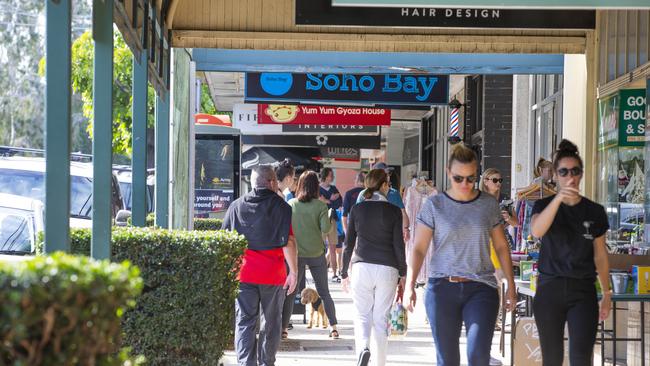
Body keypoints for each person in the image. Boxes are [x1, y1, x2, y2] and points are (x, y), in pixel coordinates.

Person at [404, 143, 516, 366]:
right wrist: (410, 285)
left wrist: (510, 286)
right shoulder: (435, 205)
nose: (465, 184)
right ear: (448, 173)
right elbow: (419, 248)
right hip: (442, 288)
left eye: (471, 178)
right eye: (458, 178)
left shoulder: (487, 204)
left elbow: (502, 246)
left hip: (481, 287)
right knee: (447, 360)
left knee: (478, 356)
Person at [530, 139, 611, 366]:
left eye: (575, 171)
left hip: (582, 291)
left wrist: (607, 292)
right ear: (555, 175)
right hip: (550, 289)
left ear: (582, 174)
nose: (570, 177)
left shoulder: (594, 211)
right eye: (564, 172)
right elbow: (537, 231)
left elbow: (600, 255)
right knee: (552, 359)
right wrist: (558, 199)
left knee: (581, 359)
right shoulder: (543, 206)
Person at [222, 165, 298, 366]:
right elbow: (288, 242)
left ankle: (246, 363)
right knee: (271, 323)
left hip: (243, 273)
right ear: (272, 182)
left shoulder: (235, 206)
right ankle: (266, 362)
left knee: (245, 322)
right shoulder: (283, 207)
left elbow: (224, 240)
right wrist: (294, 272)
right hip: (273, 275)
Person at [341, 168, 407, 366]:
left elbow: (348, 243)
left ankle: (363, 349)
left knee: (361, 315)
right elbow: (398, 245)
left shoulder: (357, 209)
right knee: (381, 319)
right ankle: (380, 363)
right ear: (385, 186)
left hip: (361, 267)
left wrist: (344, 271)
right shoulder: (394, 212)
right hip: (388, 268)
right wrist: (403, 272)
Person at [286, 171, 340, 339]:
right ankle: (333, 327)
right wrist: (328, 215)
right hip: (316, 254)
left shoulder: (291, 204)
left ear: (300, 185)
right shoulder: (321, 206)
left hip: (297, 255)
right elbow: (326, 229)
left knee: (291, 291)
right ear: (316, 187)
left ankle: (283, 328)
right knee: (324, 292)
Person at [274, 159, 298, 339]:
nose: (294, 181)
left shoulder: (274, 195)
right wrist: (293, 269)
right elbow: (287, 238)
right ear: (288, 178)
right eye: (294, 177)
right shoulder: (280, 199)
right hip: (277, 257)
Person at [357, 162, 410, 242]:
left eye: (388, 174)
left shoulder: (393, 193)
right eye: (385, 174)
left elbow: (403, 213)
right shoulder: (363, 194)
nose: (388, 176)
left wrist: (405, 229)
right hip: (378, 238)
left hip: (375, 238)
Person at [319, 167, 343, 282]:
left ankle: (334, 274)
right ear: (325, 175)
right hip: (320, 220)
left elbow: (339, 202)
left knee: (333, 248)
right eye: (330, 174)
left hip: (332, 220)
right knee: (320, 249)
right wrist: (331, 199)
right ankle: (320, 274)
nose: (332, 176)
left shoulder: (333, 188)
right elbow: (318, 201)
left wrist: (327, 201)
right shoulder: (317, 188)